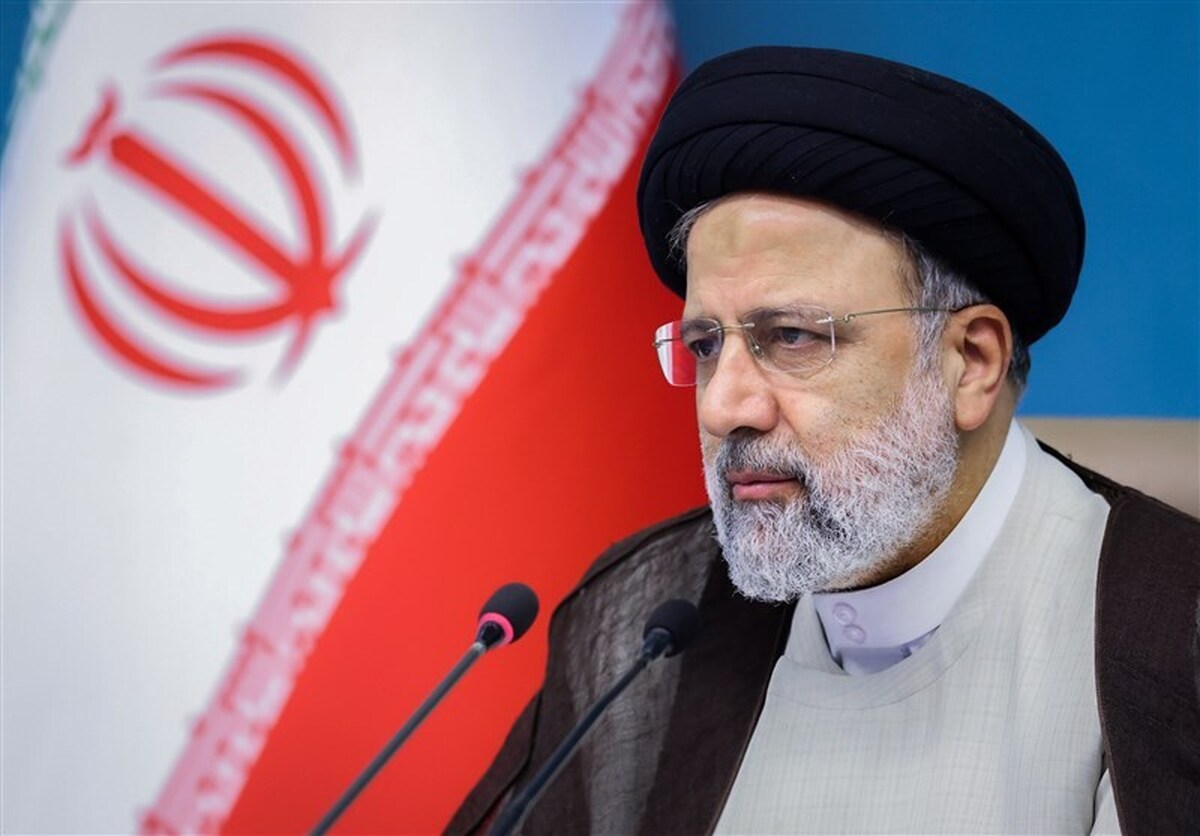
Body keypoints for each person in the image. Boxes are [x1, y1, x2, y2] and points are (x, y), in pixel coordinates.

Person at [448, 47, 1200, 835]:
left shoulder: (1172, 631)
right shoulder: (644, 624)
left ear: (971, 362)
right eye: (705, 345)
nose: (723, 406)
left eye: (793, 337)